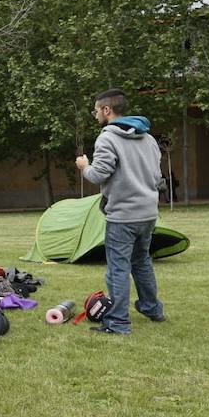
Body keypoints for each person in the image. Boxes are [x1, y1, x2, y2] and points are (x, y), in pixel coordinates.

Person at [75, 89, 166, 334]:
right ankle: (152, 308)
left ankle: (117, 323)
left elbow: (99, 174)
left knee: (118, 269)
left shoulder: (108, 138)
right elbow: (157, 176)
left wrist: (85, 166)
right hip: (148, 213)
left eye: (96, 111)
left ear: (107, 110)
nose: (95, 115)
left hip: (122, 216)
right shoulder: (148, 138)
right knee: (142, 262)